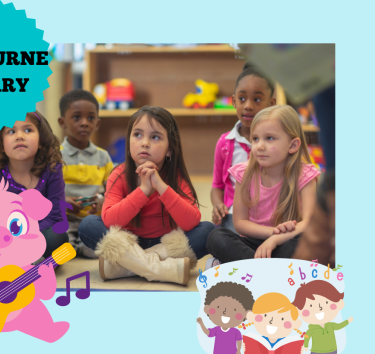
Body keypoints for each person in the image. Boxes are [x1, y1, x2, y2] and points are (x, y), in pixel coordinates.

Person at [79, 106, 215, 285]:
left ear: (169, 150)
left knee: (208, 230)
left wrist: (160, 186)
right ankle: (160, 269)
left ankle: (126, 267)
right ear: (128, 143)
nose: (145, 143)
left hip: (166, 245)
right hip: (127, 243)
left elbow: (191, 222)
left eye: (155, 137)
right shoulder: (119, 174)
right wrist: (143, 190)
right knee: (88, 225)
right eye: (137, 135)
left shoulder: (176, 177)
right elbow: (110, 220)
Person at [207, 105, 320, 262]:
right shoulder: (244, 173)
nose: (259, 146)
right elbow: (240, 223)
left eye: (270, 138)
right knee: (216, 237)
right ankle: (269, 269)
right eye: (255, 139)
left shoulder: (305, 174)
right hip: (254, 242)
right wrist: (273, 233)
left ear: (293, 145)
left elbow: (309, 222)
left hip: (287, 241)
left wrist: (276, 240)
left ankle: (252, 268)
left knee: (312, 241)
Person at [206, 64, 276, 270]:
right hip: (236, 220)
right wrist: (218, 205)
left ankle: (241, 264)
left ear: (271, 103)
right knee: (214, 236)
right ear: (234, 101)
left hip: (271, 222)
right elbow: (217, 185)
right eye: (242, 99)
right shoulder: (225, 143)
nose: (248, 106)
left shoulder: (279, 142)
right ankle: (265, 265)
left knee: (297, 238)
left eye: (257, 99)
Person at [0, 111, 68, 259]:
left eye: (28, 130)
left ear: (42, 141)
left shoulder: (52, 169)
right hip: (9, 236)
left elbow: (57, 217)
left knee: (57, 238)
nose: (19, 136)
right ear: (1, 144)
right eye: (11, 131)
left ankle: (29, 259)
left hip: (44, 233)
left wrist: (29, 234)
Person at [58, 89, 113, 257]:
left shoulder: (103, 156)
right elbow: (45, 191)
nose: (84, 123)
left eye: (90, 118)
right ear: (62, 122)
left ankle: (83, 245)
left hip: (93, 221)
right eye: (76, 117)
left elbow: (111, 190)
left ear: (97, 123)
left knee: (95, 252)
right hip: (63, 220)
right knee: (59, 250)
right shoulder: (55, 156)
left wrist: (101, 200)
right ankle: (73, 245)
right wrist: (63, 200)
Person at [292, 280, 353, 354]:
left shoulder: (331, 325)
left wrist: (347, 321)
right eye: (311, 305)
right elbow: (307, 337)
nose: (320, 308)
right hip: (316, 351)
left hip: (332, 351)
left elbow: (339, 326)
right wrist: (305, 345)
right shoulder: (312, 328)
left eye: (326, 302)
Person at [197, 281, 254, 354]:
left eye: (234, 309)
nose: (225, 312)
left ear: (245, 314)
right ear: (208, 309)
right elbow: (207, 332)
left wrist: (238, 350)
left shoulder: (236, 332)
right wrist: (201, 323)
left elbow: (239, 340)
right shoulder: (216, 329)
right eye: (218, 307)